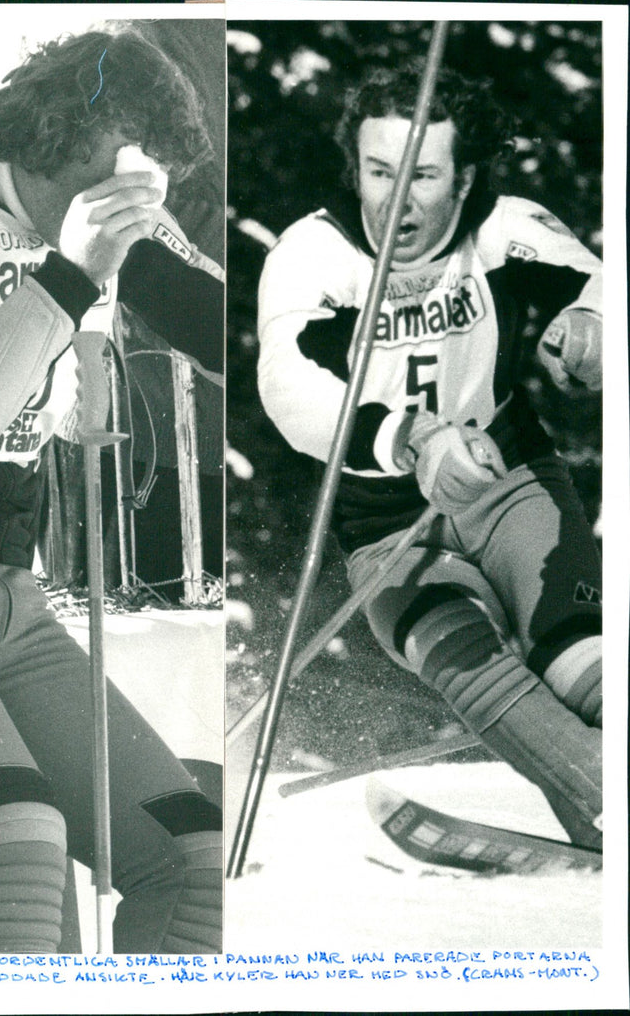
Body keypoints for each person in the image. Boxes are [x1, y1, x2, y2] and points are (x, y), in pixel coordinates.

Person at [0, 26, 224, 953]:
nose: (142, 202)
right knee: (20, 841)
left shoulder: (89, 210)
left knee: (191, 855)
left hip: (12, 595)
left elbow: (223, 326)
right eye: (129, 176)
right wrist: (69, 279)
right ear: (62, 139)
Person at [257, 60, 602, 849]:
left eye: (422, 176)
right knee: (465, 655)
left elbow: (600, 287)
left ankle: (598, 810)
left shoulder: (503, 227)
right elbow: (287, 385)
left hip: (508, 484)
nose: (396, 199)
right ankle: (603, 801)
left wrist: (586, 328)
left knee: (580, 660)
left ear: (464, 175)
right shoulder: (315, 252)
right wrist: (408, 438)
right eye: (379, 171)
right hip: (383, 524)